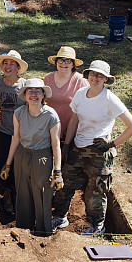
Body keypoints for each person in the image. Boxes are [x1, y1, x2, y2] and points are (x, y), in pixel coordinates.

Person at [52, 60, 132, 234]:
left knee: (95, 191)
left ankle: (96, 226)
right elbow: (75, 119)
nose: (95, 78)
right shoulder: (80, 94)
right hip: (78, 147)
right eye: (93, 74)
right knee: (66, 183)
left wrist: (111, 143)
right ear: (87, 75)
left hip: (99, 152)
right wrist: (67, 145)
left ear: (106, 79)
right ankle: (60, 217)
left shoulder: (110, 100)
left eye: (100, 75)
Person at [1, 78, 62, 235]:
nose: (33, 94)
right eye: (30, 91)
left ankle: (43, 232)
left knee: (42, 194)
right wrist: (8, 165)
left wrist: (57, 171)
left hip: (42, 159)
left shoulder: (51, 115)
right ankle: (24, 230)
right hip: (22, 156)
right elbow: (16, 139)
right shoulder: (19, 113)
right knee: (23, 193)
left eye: (37, 91)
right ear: (25, 94)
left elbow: (56, 145)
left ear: (43, 95)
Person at [43, 46, 88, 230]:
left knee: (65, 172)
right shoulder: (47, 78)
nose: (63, 63)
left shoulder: (80, 82)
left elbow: (84, 108)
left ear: (73, 64)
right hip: (49, 131)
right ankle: (48, 199)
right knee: (47, 167)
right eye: (60, 60)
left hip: (70, 133)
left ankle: (61, 213)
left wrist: (69, 141)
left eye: (67, 61)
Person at [0, 50, 27, 214]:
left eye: (12, 64)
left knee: (20, 165)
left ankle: (21, 196)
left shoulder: (25, 85)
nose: (8, 66)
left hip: (22, 134)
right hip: (3, 132)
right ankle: (7, 195)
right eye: (6, 63)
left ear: (18, 68)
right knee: (4, 162)